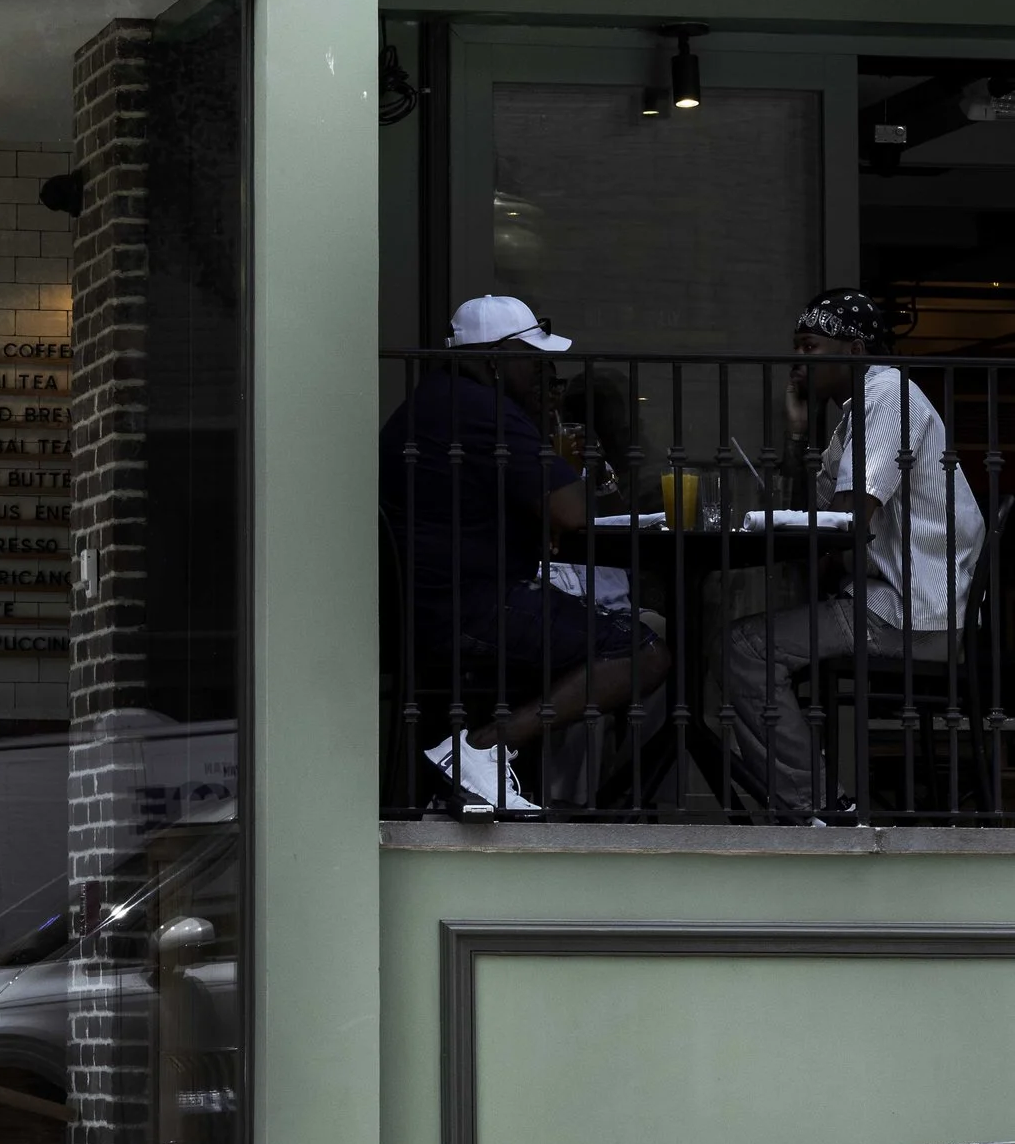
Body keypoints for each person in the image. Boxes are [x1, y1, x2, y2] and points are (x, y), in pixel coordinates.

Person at [381, 293, 665, 802]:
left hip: (427, 606)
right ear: (494, 360)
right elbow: (573, 513)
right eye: (533, 360)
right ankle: (482, 747)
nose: (544, 373)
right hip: (469, 608)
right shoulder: (485, 409)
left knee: (599, 635)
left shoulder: (435, 401)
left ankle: (498, 772)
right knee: (645, 652)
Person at [720, 290, 985, 818]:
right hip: (898, 600)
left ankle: (815, 806)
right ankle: (807, 798)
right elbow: (821, 521)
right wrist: (797, 433)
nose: (797, 363)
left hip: (915, 612)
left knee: (745, 649)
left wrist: (837, 559)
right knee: (749, 644)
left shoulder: (888, 395)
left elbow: (840, 525)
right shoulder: (854, 412)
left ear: (855, 349)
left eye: (809, 348)